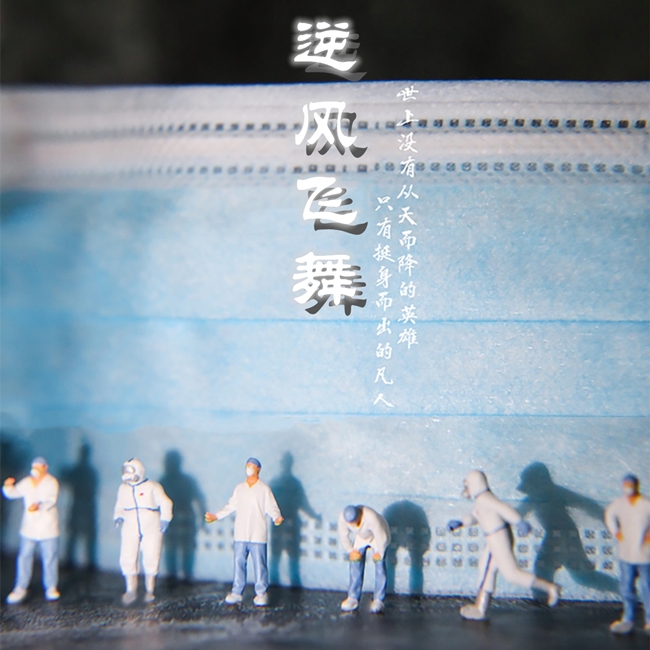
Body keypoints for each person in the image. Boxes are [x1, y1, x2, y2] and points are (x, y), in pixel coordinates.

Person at [447, 470, 560, 620]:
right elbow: (476, 515)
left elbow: (503, 509)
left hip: (498, 539)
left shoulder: (486, 499)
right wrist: (461, 522)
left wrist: (519, 522)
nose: (465, 488)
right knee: (487, 569)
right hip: (495, 539)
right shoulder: (481, 500)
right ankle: (481, 607)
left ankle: (550, 588)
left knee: (510, 574)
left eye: (467, 485)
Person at [205, 457, 283, 606]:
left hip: (257, 534)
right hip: (240, 534)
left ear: (258, 469)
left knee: (259, 564)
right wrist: (216, 516)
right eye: (247, 465)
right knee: (239, 562)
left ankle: (261, 592)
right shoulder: (239, 488)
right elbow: (230, 506)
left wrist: (276, 517)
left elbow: (271, 506)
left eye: (251, 466)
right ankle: (237, 591)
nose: (249, 468)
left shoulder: (263, 489)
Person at [114, 458, 173, 604]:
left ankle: (150, 590)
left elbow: (165, 502)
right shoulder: (123, 488)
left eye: (130, 471)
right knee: (127, 555)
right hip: (130, 522)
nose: (127, 474)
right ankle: (130, 590)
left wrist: (165, 518)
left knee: (151, 555)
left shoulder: (152, 486)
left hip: (151, 523)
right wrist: (118, 516)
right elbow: (119, 505)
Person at [2, 456, 61, 604]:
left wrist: (39, 506)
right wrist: (8, 486)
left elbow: (51, 500)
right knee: (24, 557)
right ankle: (21, 587)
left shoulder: (51, 482)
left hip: (47, 527)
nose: (36, 469)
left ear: (45, 467)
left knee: (49, 558)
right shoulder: (27, 482)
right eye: (34, 466)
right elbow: (13, 493)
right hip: (29, 528)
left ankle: (51, 586)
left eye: (39, 466)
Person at [605, 474, 650, 635]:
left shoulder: (646, 504)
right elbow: (609, 515)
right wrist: (616, 532)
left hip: (645, 554)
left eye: (631, 484)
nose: (628, 488)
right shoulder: (619, 504)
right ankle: (628, 619)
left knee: (647, 586)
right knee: (626, 587)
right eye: (626, 484)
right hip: (626, 553)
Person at [337, 504, 391, 613]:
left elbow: (381, 535)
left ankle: (379, 599)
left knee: (379, 566)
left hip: (377, 538)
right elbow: (343, 535)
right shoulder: (343, 518)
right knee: (355, 563)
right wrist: (350, 550)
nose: (353, 525)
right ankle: (353, 597)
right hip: (361, 538)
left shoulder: (371, 517)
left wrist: (380, 552)